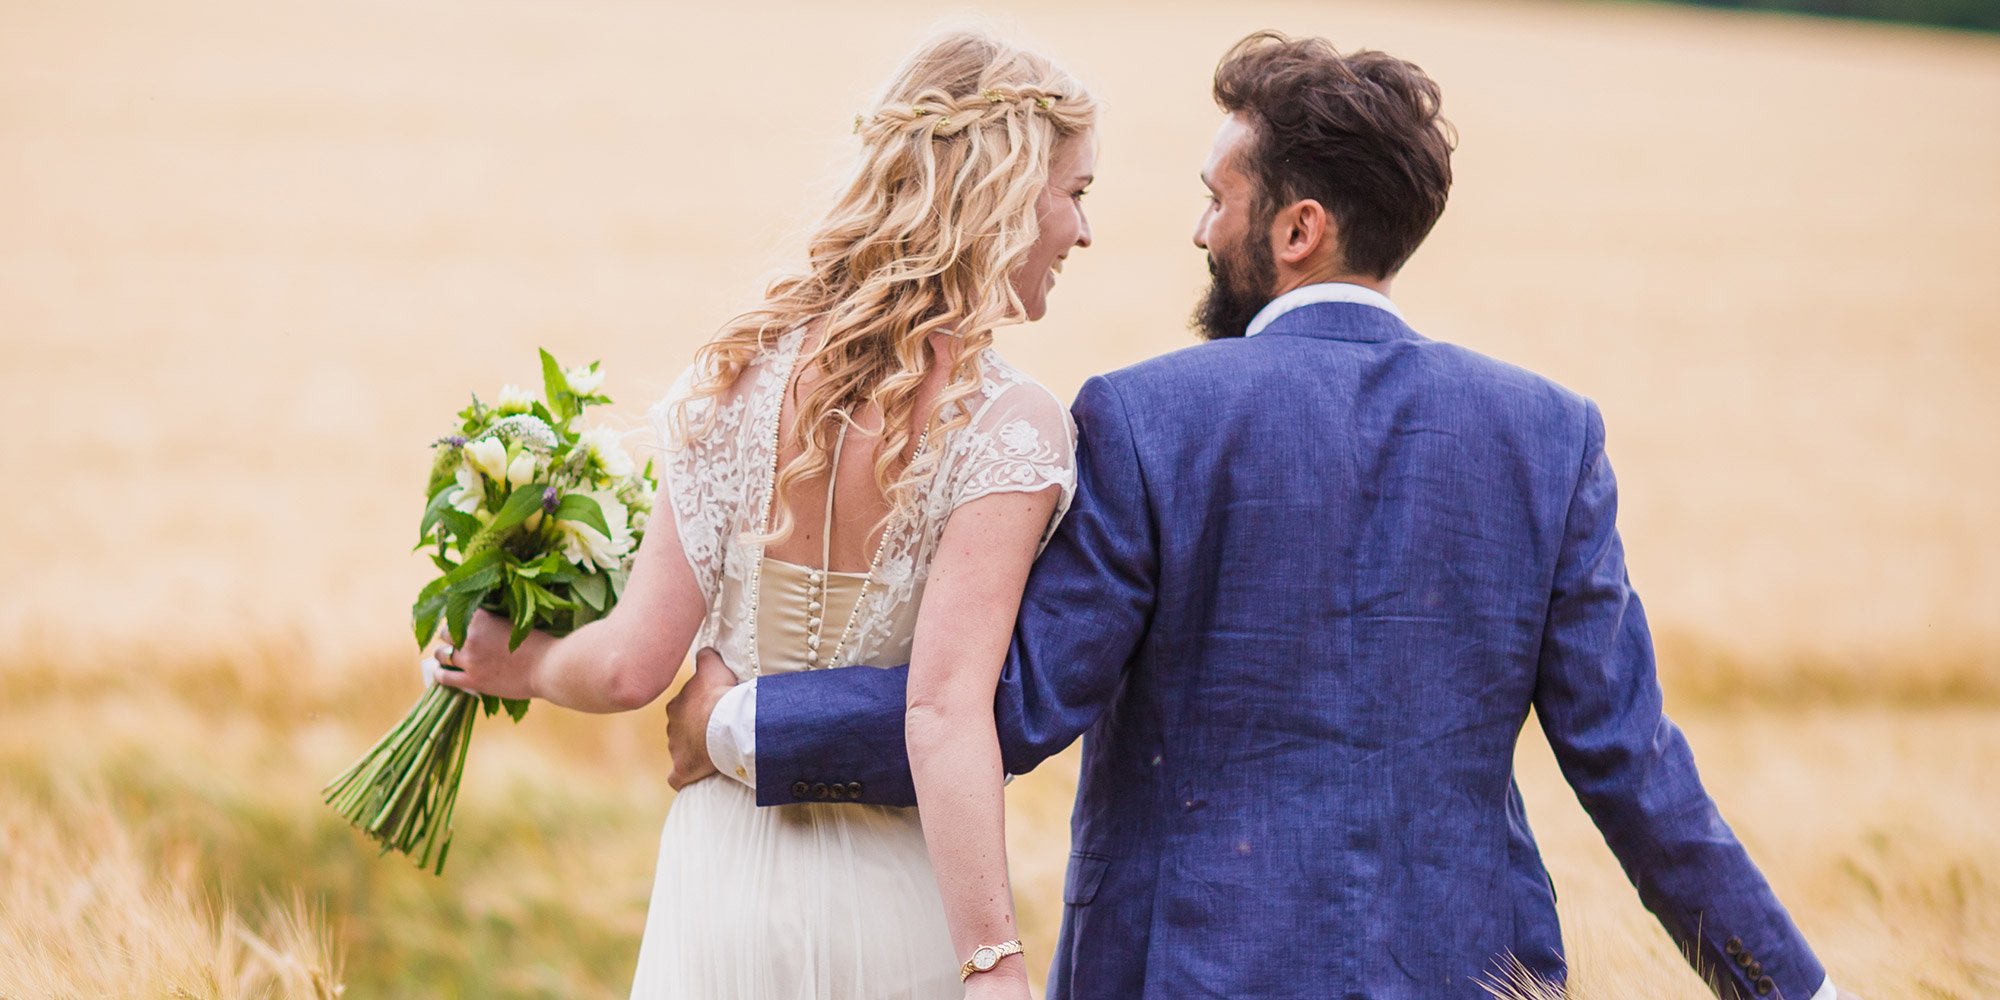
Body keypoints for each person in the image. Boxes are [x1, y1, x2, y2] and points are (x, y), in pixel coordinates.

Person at [664, 30, 1856, 1000]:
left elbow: (1010, 702)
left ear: (1296, 230)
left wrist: (742, 722)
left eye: (1214, 198)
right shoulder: (1547, 435)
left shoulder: (1143, 421)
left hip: (1180, 974)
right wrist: (1798, 995)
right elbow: (1633, 769)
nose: (1193, 230)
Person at [424, 30, 1097, 1000]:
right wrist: (992, 964)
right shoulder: (1009, 425)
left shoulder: (736, 373)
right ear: (1002, 186)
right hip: (889, 893)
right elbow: (945, 712)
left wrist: (513, 665)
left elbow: (625, 667)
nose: (1081, 231)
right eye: (1074, 193)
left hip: (718, 887)